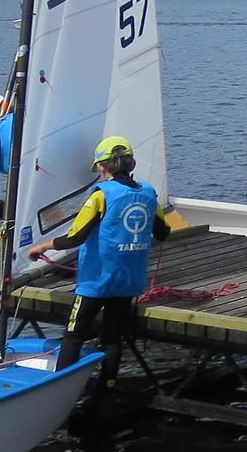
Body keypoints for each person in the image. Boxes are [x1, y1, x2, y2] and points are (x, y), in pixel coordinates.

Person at [26, 135, 172, 389]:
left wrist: (41, 247)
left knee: (73, 336)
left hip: (96, 283)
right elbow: (163, 233)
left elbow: (75, 237)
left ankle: (59, 390)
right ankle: (108, 388)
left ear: (103, 167)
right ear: (132, 164)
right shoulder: (149, 193)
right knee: (111, 338)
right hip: (128, 282)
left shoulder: (101, 195)